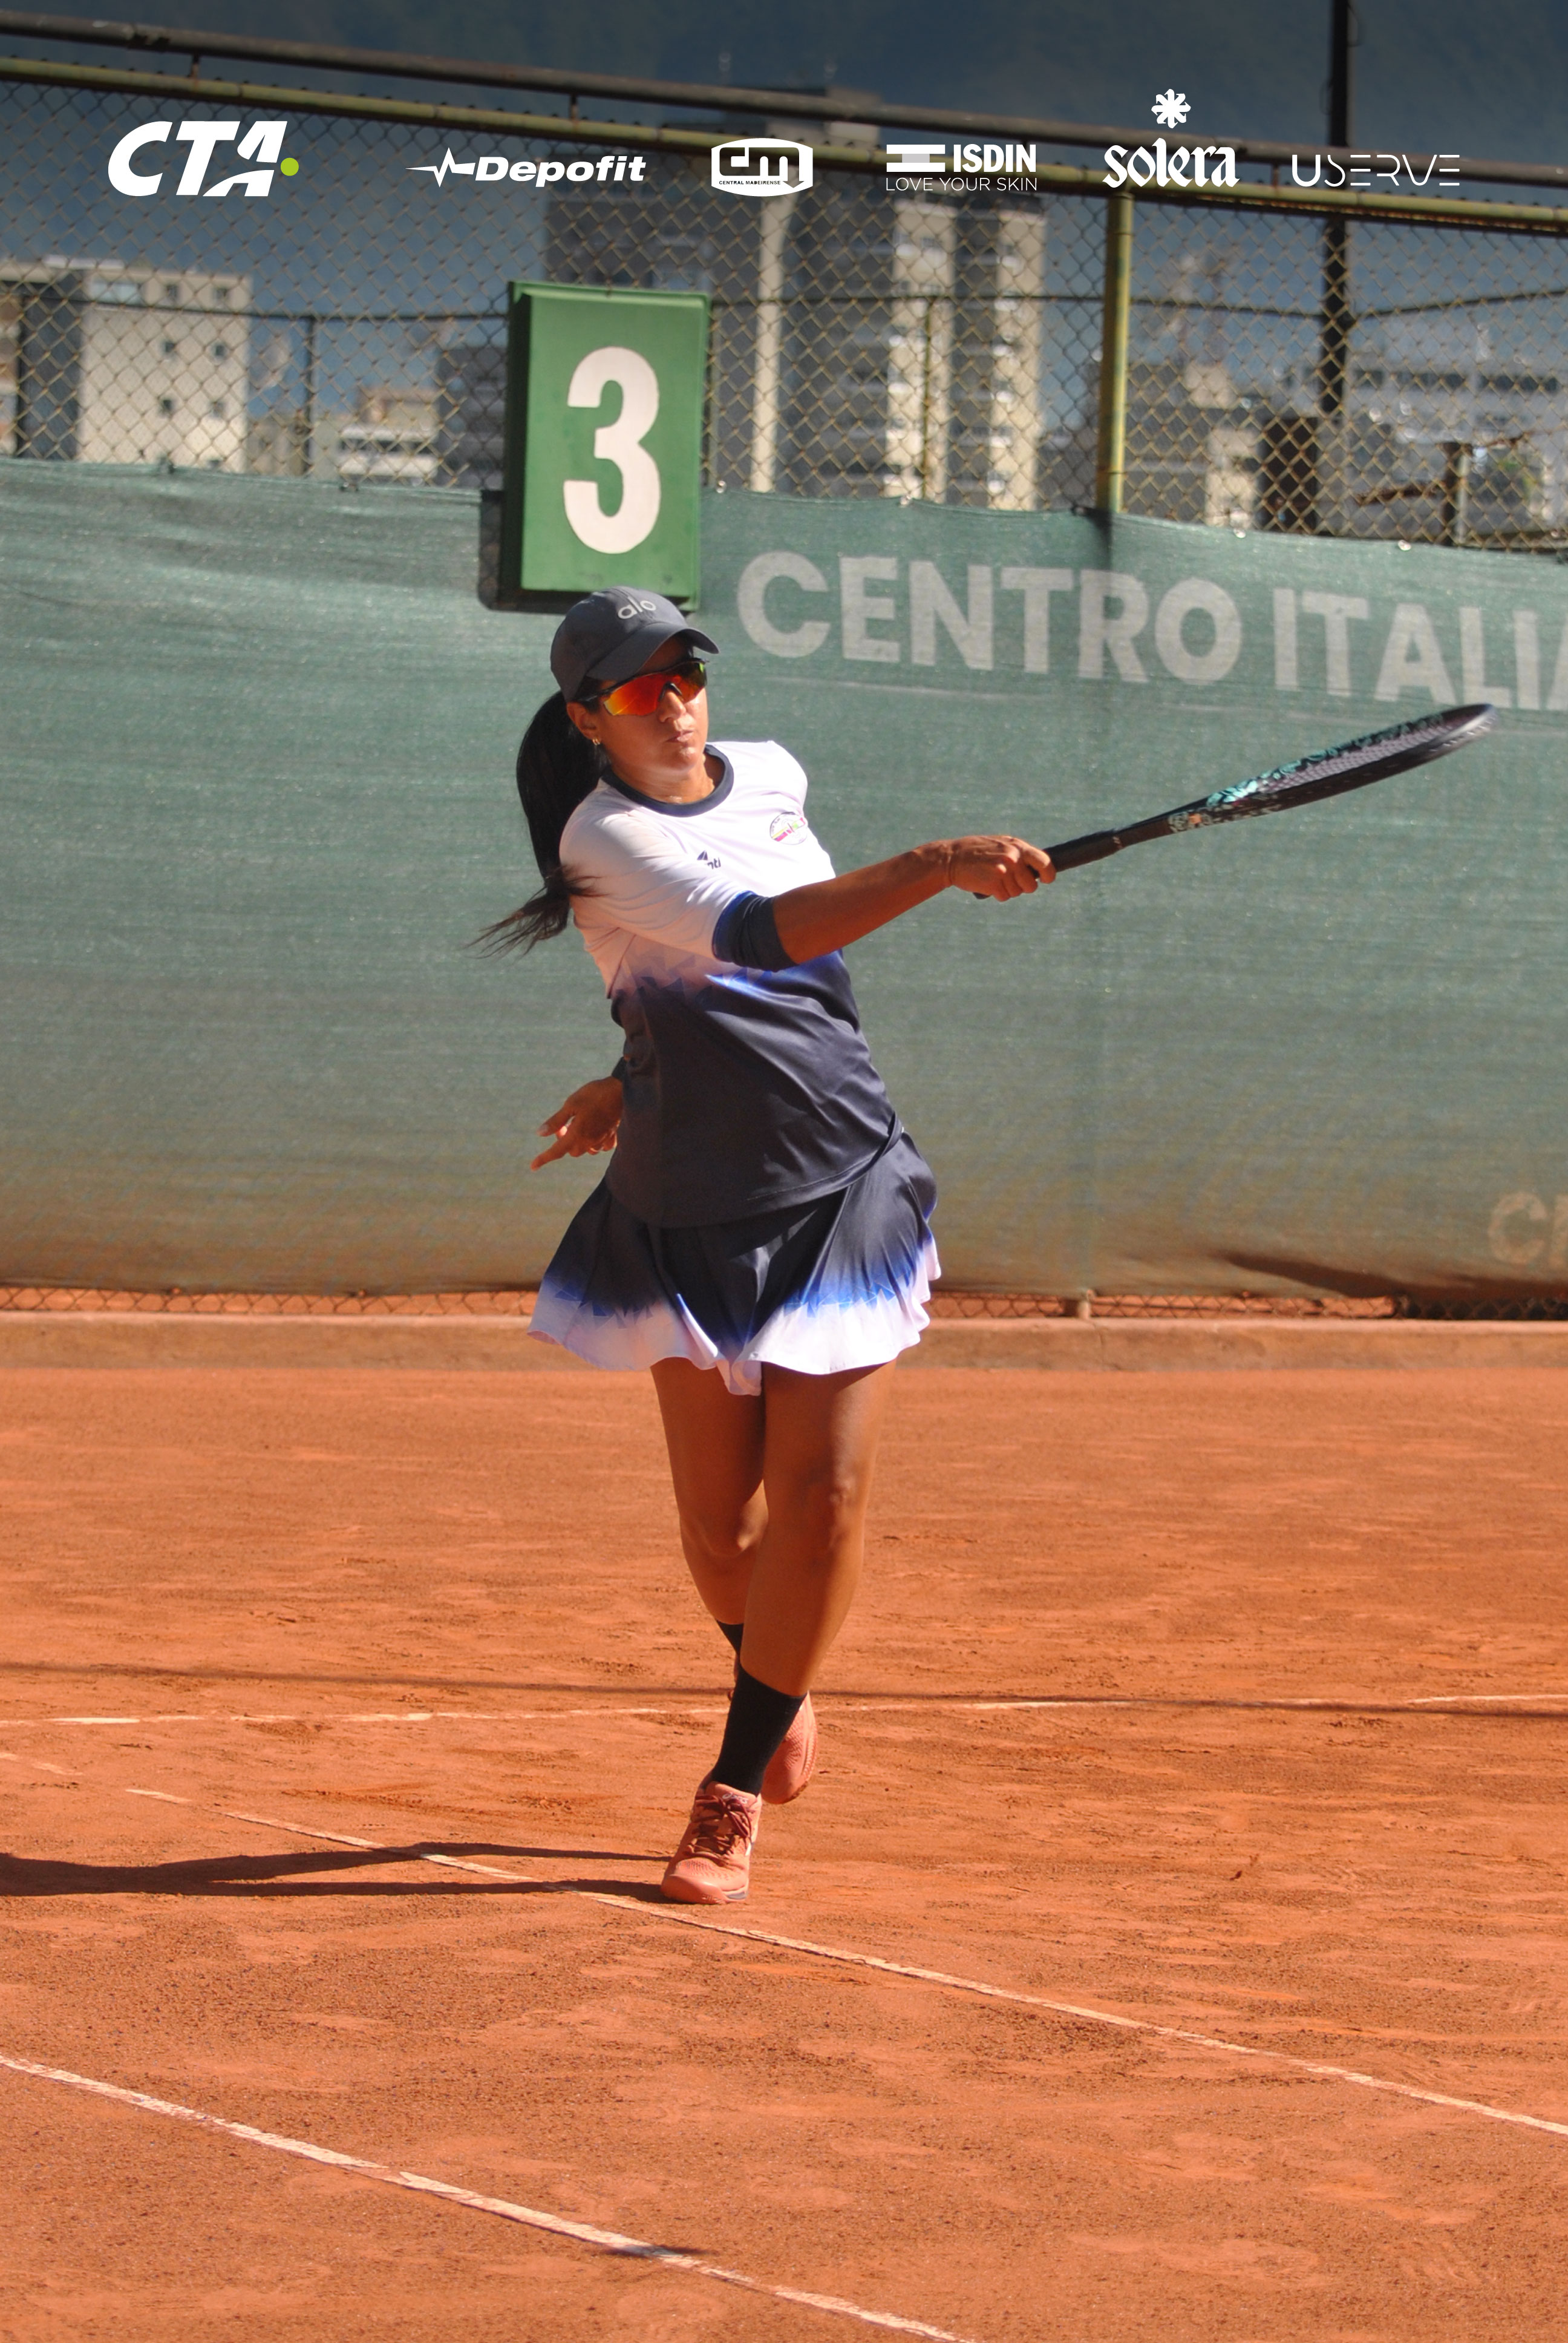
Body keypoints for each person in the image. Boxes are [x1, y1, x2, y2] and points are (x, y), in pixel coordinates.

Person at [488, 585, 1052, 1907]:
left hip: (844, 1176)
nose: (674, 700)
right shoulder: (602, 832)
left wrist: (632, 1067)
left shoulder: (776, 777)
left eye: (687, 670)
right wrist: (936, 861)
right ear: (590, 718)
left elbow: (794, 976)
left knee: (825, 1502)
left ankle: (731, 1788)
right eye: (637, 688)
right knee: (721, 1531)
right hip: (685, 1204)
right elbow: (747, 937)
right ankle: (775, 1671)